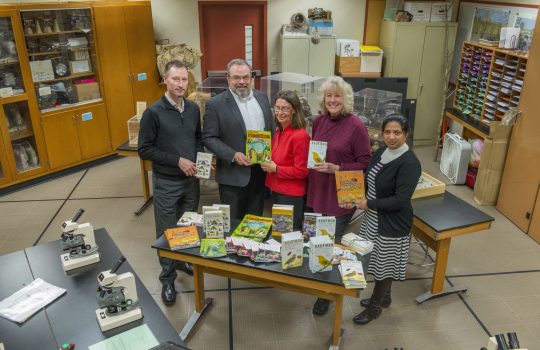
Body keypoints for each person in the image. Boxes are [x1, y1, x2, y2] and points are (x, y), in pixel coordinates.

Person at [138, 60, 201, 306]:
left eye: (184, 79)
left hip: (191, 181)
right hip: (167, 183)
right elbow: (145, 149)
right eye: (175, 79)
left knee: (187, 227)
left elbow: (197, 138)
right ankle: (167, 278)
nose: (180, 84)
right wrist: (178, 161)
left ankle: (183, 259)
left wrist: (199, 160)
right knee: (166, 231)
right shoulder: (153, 113)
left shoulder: (194, 108)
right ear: (165, 79)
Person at [308, 76, 372, 316]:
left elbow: (365, 161)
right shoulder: (319, 121)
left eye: (337, 95)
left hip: (340, 194)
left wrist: (337, 168)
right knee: (318, 240)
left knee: (331, 243)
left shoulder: (356, 126)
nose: (332, 100)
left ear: (345, 99)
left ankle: (326, 293)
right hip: (319, 190)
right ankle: (321, 282)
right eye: (329, 95)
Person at [352, 115, 421, 325]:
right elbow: (369, 178)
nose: (391, 137)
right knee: (379, 260)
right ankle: (386, 297)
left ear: (406, 135)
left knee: (384, 266)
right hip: (373, 217)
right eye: (387, 132)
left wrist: (369, 204)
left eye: (397, 132)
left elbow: (400, 200)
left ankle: (374, 308)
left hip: (392, 222)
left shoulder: (410, 163)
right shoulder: (382, 152)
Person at [202, 59, 274, 220]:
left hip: (260, 173)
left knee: (255, 221)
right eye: (236, 78)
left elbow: (270, 130)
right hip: (233, 176)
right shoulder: (216, 104)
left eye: (246, 77)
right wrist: (233, 155)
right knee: (233, 223)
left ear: (251, 78)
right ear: (228, 78)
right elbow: (208, 137)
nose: (242, 82)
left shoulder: (262, 98)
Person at [261, 90, 310, 230]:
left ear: (294, 110)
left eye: (285, 108)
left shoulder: (300, 136)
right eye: (277, 108)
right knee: (279, 232)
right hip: (277, 190)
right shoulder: (279, 130)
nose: (280, 112)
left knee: (288, 235)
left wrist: (275, 169)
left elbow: (302, 171)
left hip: (291, 195)